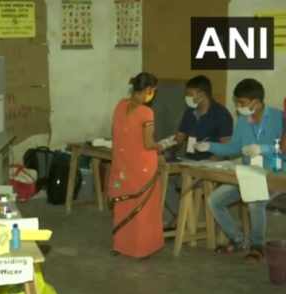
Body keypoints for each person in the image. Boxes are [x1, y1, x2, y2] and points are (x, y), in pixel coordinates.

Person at [195, 78, 283, 262]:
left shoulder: (278, 118)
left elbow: (284, 149)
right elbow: (233, 147)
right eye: (237, 102)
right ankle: (238, 240)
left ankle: (257, 246)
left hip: (274, 174)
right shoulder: (243, 121)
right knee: (214, 200)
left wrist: (263, 148)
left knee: (254, 202)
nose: (238, 107)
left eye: (242, 103)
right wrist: (209, 146)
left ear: (256, 102)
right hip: (249, 174)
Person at [159, 75, 234, 228]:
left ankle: (181, 220)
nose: (187, 98)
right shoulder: (190, 112)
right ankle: (177, 217)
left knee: (185, 182)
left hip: (211, 163)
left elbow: (226, 147)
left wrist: (208, 163)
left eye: (190, 94)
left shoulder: (221, 114)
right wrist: (165, 143)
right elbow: (180, 137)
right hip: (189, 159)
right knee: (161, 175)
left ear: (201, 94)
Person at [108, 72, 164, 258]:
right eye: (153, 91)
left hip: (122, 166)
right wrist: (161, 146)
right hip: (142, 167)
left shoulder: (120, 106)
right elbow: (148, 144)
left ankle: (121, 245)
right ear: (148, 90)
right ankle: (141, 248)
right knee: (144, 207)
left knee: (123, 204)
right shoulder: (146, 112)